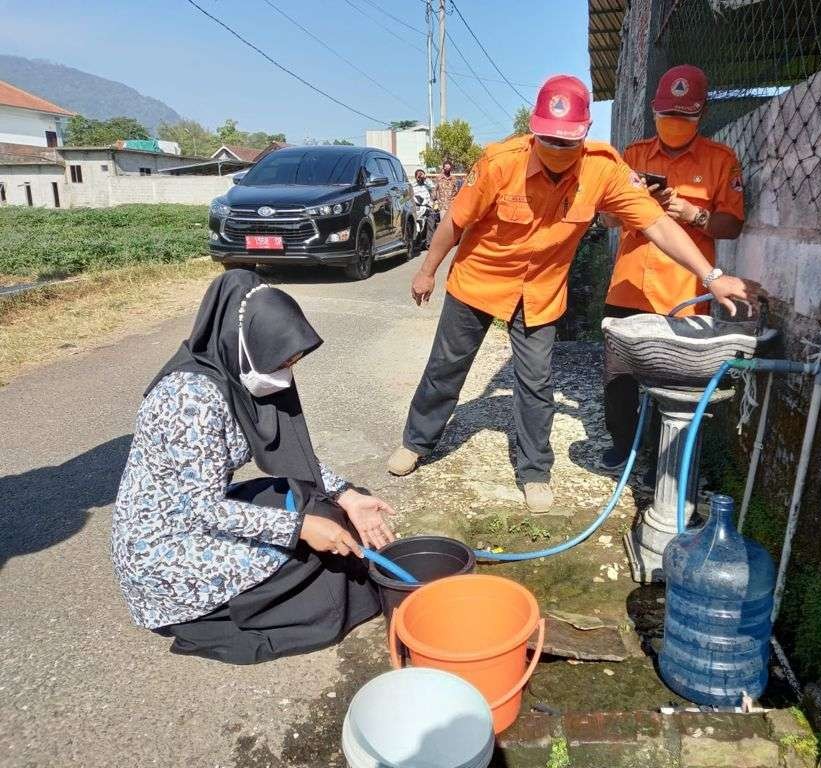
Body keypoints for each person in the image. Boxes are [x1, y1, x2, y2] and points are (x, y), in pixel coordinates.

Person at [387, 74, 761, 513]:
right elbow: (455, 221)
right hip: (479, 280)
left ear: (584, 135)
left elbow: (657, 224)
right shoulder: (499, 161)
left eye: (567, 142)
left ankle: (534, 472)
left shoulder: (604, 169)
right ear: (534, 128)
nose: (557, 149)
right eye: (548, 139)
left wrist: (711, 274)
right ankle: (417, 442)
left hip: (542, 290)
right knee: (446, 367)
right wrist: (427, 271)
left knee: (537, 382)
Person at [111, 270, 396, 664]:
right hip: (165, 549)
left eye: (292, 361)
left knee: (328, 508)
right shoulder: (190, 399)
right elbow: (202, 509)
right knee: (313, 548)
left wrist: (348, 495)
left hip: (199, 513)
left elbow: (293, 456)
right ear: (245, 342)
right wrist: (299, 528)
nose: (285, 373)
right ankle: (212, 608)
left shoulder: (240, 370)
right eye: (281, 361)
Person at [600, 65, 746, 472]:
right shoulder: (634, 155)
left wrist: (694, 215)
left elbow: (732, 225)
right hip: (629, 286)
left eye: (683, 117)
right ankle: (623, 445)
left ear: (701, 115)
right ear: (653, 111)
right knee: (619, 378)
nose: (673, 125)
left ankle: (670, 457)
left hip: (681, 293)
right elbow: (608, 218)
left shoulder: (721, 161)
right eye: (667, 116)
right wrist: (628, 208)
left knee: (676, 383)